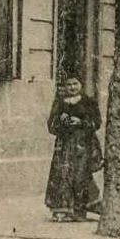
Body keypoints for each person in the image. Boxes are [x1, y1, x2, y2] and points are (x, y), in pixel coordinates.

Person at [44, 75, 102, 222]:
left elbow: (97, 122)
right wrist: (61, 121)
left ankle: (80, 210)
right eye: (68, 84)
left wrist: (81, 122)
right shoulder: (59, 103)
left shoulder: (89, 102)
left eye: (75, 83)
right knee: (62, 175)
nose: (72, 87)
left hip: (83, 144)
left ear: (81, 84)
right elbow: (51, 125)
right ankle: (62, 210)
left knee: (81, 176)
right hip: (64, 145)